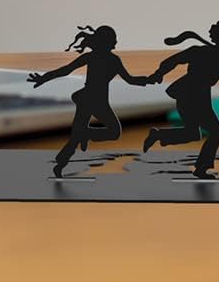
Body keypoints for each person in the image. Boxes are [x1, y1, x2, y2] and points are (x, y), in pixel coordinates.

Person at [27, 24, 155, 177]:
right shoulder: (109, 59)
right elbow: (130, 80)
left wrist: (147, 80)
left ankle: (62, 162)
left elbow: (66, 70)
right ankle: (82, 138)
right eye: (113, 39)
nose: (116, 43)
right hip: (95, 100)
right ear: (107, 42)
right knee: (113, 132)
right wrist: (44, 77)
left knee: (77, 136)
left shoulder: (100, 58)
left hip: (89, 98)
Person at [141, 21, 219, 178]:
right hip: (188, 93)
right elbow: (171, 61)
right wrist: (158, 74)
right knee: (215, 131)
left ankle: (158, 136)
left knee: (193, 133)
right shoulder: (198, 52)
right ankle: (201, 168)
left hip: (201, 97)